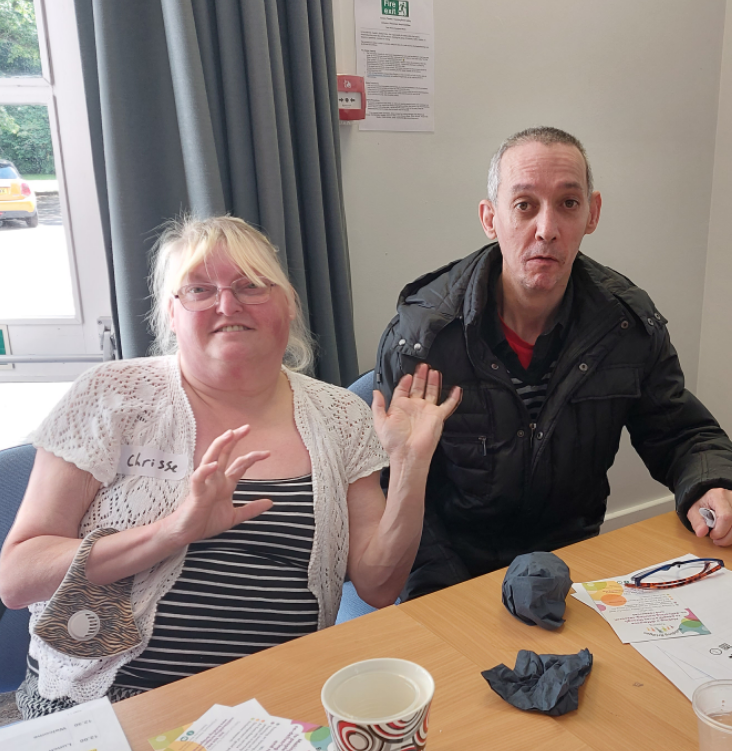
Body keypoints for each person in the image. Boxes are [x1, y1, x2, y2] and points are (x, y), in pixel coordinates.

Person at [0, 215, 460, 717]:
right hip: (110, 700)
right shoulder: (111, 397)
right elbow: (18, 576)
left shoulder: (339, 414)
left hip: (277, 706)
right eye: (198, 289)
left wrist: (411, 466)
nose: (226, 304)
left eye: (250, 286)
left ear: (288, 305)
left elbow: (378, 585)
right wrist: (172, 531)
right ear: (171, 315)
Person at [375, 126, 732, 599]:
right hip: (451, 573)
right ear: (490, 218)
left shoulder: (624, 326)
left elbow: (679, 430)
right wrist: (450, 593)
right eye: (524, 205)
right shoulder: (424, 337)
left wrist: (716, 482)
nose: (547, 229)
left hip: (570, 566)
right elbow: (391, 487)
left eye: (568, 204)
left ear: (592, 213)